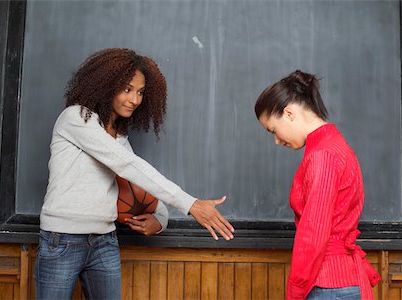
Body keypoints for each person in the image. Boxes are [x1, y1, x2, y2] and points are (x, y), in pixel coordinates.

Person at [35, 48, 234, 300]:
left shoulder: (119, 138)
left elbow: (137, 176)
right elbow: (127, 165)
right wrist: (190, 204)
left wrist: (160, 219)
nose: (135, 100)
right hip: (62, 240)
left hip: (104, 242)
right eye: (127, 89)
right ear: (106, 86)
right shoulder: (76, 118)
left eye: (140, 92)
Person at [255, 70, 380, 300]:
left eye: (273, 129)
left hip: (330, 285)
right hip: (341, 282)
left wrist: (294, 292)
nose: (276, 140)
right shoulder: (333, 146)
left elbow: (314, 234)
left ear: (289, 113)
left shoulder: (323, 155)